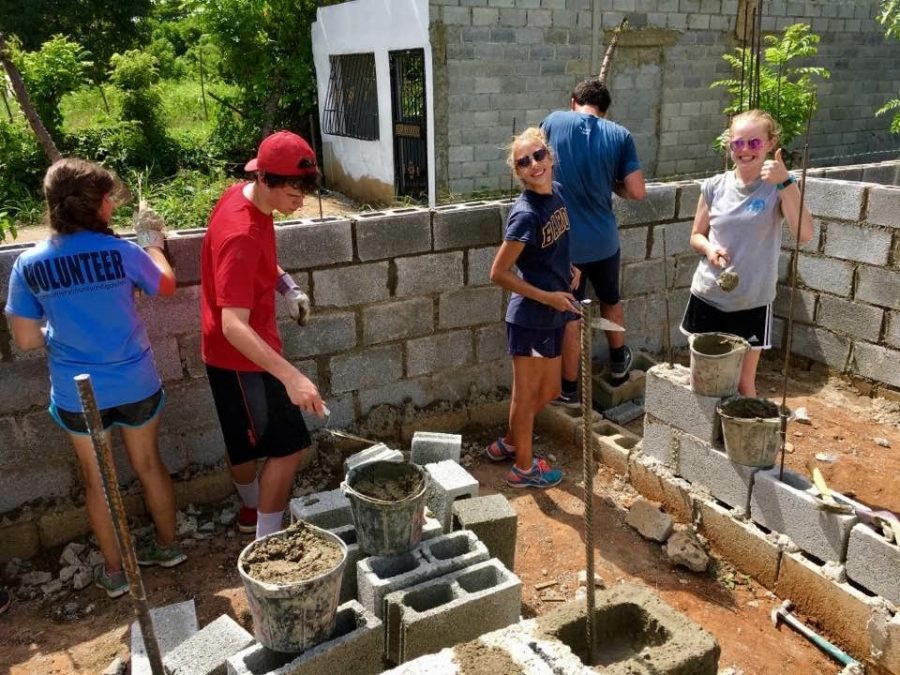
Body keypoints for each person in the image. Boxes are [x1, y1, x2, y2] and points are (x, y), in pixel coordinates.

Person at [5, 158, 185, 599]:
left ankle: (116, 572)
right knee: (148, 465)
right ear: (101, 207)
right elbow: (165, 285)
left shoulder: (28, 265)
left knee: (97, 481)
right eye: (110, 199)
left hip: (77, 392)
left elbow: (27, 340)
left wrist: (61, 330)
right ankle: (167, 547)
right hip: (136, 381)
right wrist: (153, 243)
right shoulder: (122, 252)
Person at [200, 130, 325, 540]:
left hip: (224, 356)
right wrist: (292, 376)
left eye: (305, 189)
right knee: (290, 448)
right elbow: (233, 324)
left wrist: (286, 285)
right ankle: (268, 541)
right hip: (244, 356)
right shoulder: (242, 234)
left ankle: (252, 508)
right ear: (267, 179)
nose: (301, 200)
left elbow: (259, 263)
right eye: (294, 190)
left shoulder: (243, 196)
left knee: (242, 442)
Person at [681, 109, 813, 396]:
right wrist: (709, 248)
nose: (745, 150)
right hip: (708, 295)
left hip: (752, 301)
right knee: (700, 379)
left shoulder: (777, 189)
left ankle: (738, 439)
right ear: (730, 147)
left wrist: (786, 182)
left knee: (742, 383)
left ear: (770, 143)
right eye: (738, 143)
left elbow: (804, 234)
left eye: (754, 143)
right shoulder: (714, 186)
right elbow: (696, 235)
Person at [485, 127, 579, 488]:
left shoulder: (556, 193)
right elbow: (499, 272)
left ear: (550, 157)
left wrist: (567, 267)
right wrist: (547, 296)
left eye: (539, 155)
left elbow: (552, 246)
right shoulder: (525, 213)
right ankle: (523, 469)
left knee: (552, 391)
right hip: (531, 317)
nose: (534, 164)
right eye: (524, 162)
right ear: (519, 173)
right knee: (525, 396)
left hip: (553, 309)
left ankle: (509, 442)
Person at [541, 79, 646, 402]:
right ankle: (618, 365)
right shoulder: (619, 135)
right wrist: (613, 186)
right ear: (604, 109)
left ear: (574, 101)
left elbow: (537, 169)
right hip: (605, 242)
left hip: (567, 246)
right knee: (610, 301)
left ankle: (569, 389)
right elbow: (637, 191)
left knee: (571, 314)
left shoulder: (554, 122)